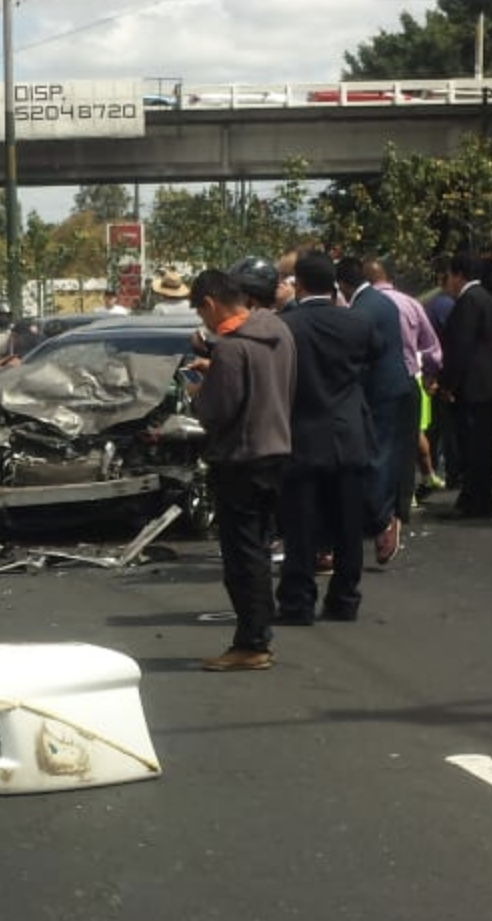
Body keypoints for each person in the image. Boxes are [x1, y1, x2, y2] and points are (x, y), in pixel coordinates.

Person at [185, 268, 294, 671]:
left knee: (241, 556)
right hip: (277, 450)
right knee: (260, 550)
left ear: (211, 303)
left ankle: (251, 642)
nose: (204, 322)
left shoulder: (231, 350)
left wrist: (199, 392)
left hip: (240, 460)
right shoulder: (278, 332)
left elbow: (218, 411)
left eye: (202, 312)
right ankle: (257, 635)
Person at [276, 250, 382, 624]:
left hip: (303, 436)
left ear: (298, 284)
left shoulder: (287, 326)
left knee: (301, 528)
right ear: (335, 284)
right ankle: (344, 599)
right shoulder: (358, 323)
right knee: (348, 525)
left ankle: (298, 602)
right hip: (349, 433)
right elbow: (375, 357)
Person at [340, 254, 410, 563]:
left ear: (341, 284)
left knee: (377, 455)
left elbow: (362, 352)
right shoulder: (380, 302)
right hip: (394, 385)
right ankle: (381, 515)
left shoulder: (363, 309)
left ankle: (384, 520)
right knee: (384, 451)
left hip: (380, 390)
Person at [366, 257, 442, 525]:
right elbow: (431, 345)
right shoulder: (410, 303)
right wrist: (431, 374)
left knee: (379, 444)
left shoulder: (362, 305)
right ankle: (402, 505)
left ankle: (379, 509)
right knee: (407, 441)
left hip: (375, 382)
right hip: (410, 380)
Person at [434, 253, 492, 518]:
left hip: (472, 386)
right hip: (488, 383)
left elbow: (460, 348)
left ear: (458, 274)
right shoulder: (487, 299)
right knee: (483, 447)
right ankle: (478, 498)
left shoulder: (467, 302)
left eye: (449, 276)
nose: (447, 282)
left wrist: (448, 383)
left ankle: (475, 500)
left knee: (472, 447)